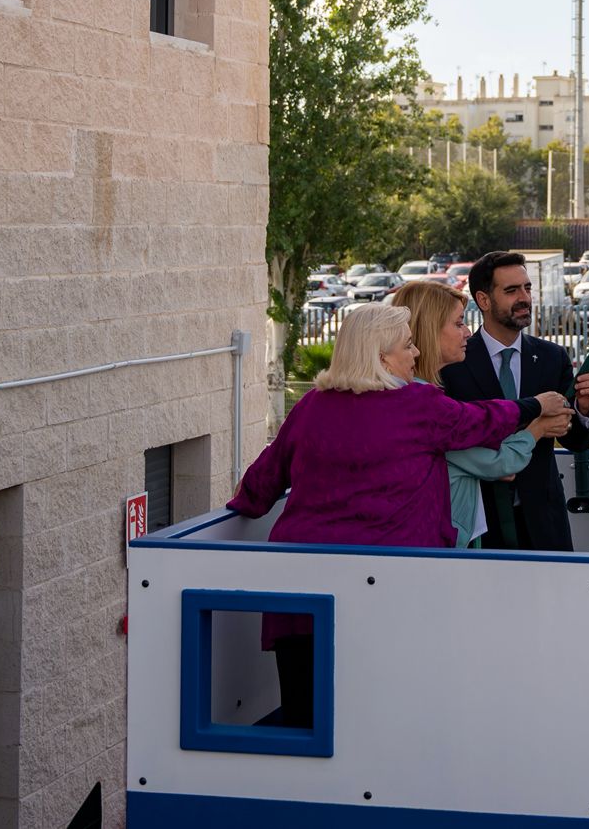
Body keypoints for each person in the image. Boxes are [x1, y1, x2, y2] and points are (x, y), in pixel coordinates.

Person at [227, 302, 560, 722]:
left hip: (301, 590)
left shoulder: (311, 406)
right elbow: (481, 421)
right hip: (388, 590)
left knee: (303, 717)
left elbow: (259, 487)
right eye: (407, 346)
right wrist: (535, 405)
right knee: (382, 721)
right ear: (381, 356)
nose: (416, 354)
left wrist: (236, 512)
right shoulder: (418, 404)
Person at [440, 250, 589, 550]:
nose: (525, 298)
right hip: (477, 525)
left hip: (543, 523)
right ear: (484, 300)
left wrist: (583, 409)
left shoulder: (552, 358)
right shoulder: (452, 363)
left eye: (527, 288)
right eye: (512, 290)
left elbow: (577, 441)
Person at [391, 280, 573, 547]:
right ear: (430, 331)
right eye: (458, 323)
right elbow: (499, 464)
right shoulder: (424, 405)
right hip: (442, 545)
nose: (467, 332)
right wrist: (539, 428)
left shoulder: (411, 395)